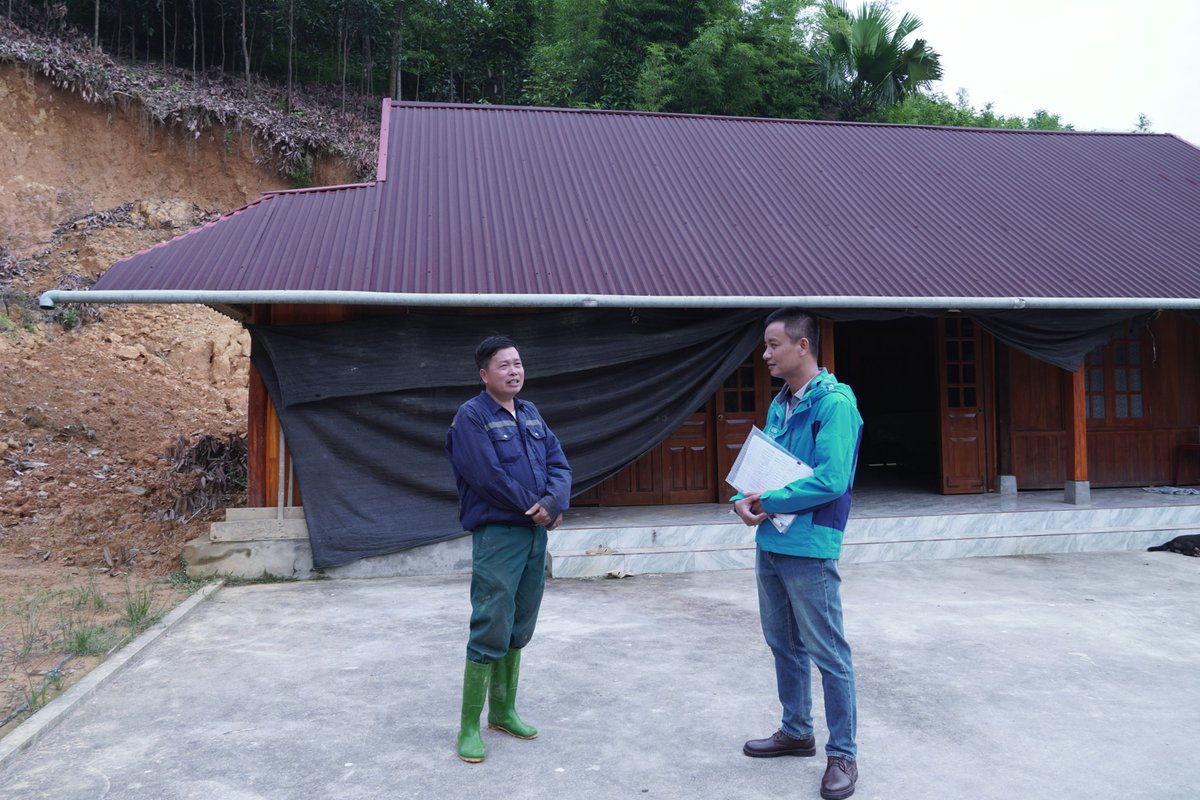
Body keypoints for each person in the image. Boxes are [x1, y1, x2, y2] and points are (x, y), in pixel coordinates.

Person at [733, 308, 863, 800]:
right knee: (782, 643)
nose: (765, 355)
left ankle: (844, 754)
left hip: (809, 545)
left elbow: (832, 480)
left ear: (802, 346)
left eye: (773, 345)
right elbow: (765, 464)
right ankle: (796, 730)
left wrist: (768, 501)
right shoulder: (781, 402)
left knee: (829, 652)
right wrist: (744, 498)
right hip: (773, 539)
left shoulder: (835, 405)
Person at [445, 335, 572, 763]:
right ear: (485, 375)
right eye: (504, 365)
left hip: (536, 533)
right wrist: (533, 507)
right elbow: (486, 476)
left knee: (520, 620)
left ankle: (502, 711)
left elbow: (559, 463)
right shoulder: (471, 418)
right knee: (491, 620)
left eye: (518, 363)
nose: (514, 371)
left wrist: (553, 502)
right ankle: (468, 726)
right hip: (500, 535)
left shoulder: (532, 413)